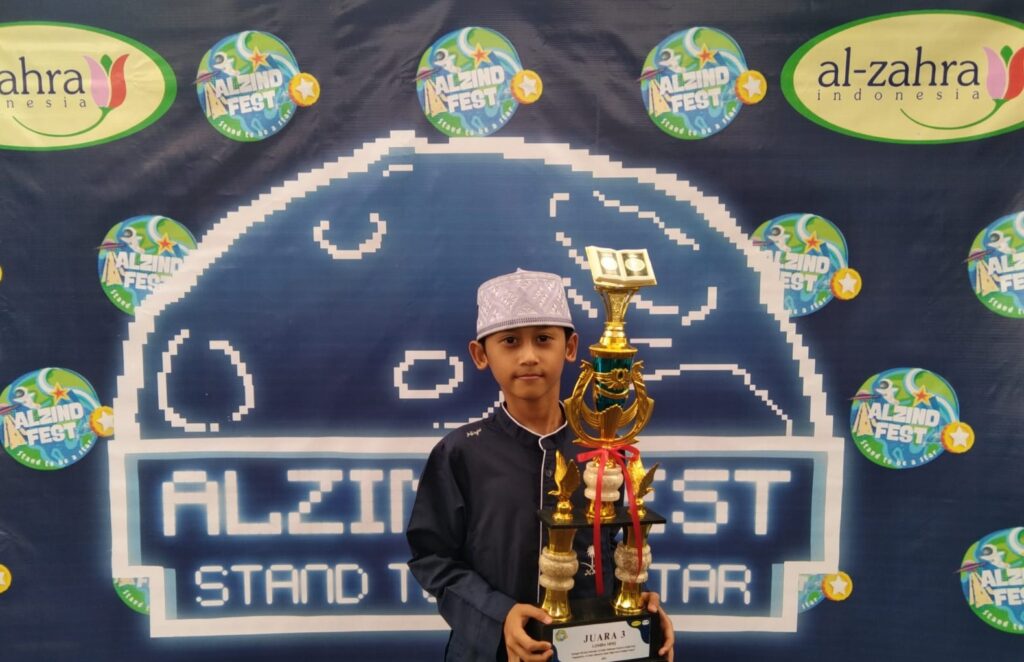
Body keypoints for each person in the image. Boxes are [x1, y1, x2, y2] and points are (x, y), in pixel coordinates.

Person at [407, 269, 674, 661]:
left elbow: (606, 545)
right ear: (481, 354)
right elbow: (433, 558)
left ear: (570, 347)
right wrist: (498, 615)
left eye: (544, 339)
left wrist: (634, 602)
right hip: (489, 652)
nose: (529, 356)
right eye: (510, 341)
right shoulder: (460, 452)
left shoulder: (601, 450)